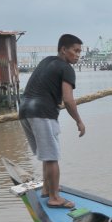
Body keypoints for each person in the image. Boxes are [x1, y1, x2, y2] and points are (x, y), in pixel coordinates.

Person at [19, 34, 86, 209]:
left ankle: (47, 190)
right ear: (64, 50)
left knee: (46, 155)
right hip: (42, 113)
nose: (78, 55)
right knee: (52, 157)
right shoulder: (66, 68)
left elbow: (40, 86)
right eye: (75, 50)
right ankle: (54, 198)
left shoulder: (46, 61)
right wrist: (79, 121)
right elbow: (69, 99)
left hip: (25, 111)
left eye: (80, 51)